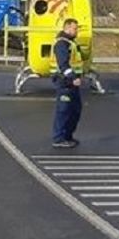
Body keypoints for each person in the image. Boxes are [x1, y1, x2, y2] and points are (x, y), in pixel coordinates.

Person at [51, 18, 84, 148]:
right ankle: (58, 138)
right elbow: (63, 64)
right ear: (67, 28)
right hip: (64, 82)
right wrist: (72, 77)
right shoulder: (62, 44)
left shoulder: (71, 43)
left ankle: (67, 136)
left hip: (72, 83)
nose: (77, 31)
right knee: (64, 111)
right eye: (75, 28)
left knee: (75, 110)